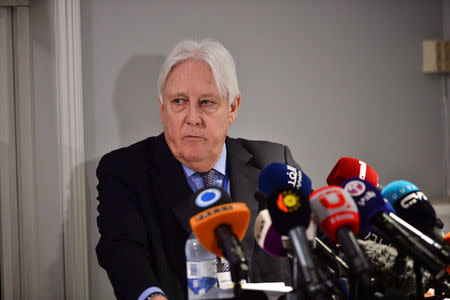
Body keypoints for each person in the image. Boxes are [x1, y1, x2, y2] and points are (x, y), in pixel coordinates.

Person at [96, 39, 301, 300]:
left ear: (233, 107)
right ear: (162, 108)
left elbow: (310, 245)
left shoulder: (274, 164)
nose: (192, 117)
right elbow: (122, 251)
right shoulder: (125, 171)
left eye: (206, 102)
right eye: (179, 101)